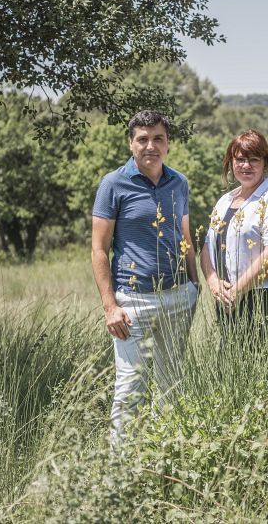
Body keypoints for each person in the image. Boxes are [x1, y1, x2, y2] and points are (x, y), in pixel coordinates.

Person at [91, 110, 199, 442]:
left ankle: (162, 462)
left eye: (158, 139)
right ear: (131, 143)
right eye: (143, 139)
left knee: (171, 387)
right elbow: (99, 248)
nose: (150, 146)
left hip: (179, 296)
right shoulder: (113, 184)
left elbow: (184, 237)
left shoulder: (178, 182)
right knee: (129, 389)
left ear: (167, 144)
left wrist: (195, 286)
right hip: (132, 301)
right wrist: (110, 307)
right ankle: (118, 473)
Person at [201, 129, 268, 326]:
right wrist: (214, 284)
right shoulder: (224, 200)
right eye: (240, 159)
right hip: (225, 298)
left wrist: (238, 291)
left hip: (261, 299)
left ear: (265, 164)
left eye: (254, 159)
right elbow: (207, 248)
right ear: (231, 163)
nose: (246, 165)